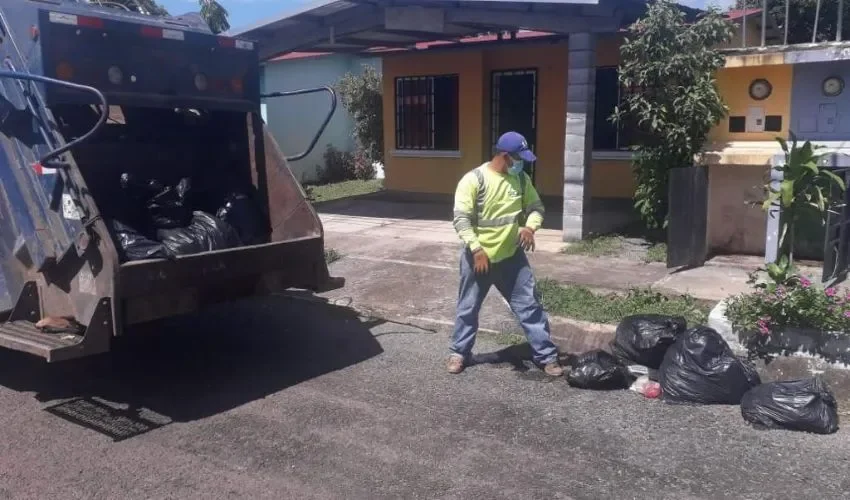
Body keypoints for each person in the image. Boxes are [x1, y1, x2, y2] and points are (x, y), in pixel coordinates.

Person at [448, 131, 563, 376]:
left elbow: (536, 208)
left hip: (512, 258)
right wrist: (476, 249)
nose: (521, 163)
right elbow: (461, 220)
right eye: (518, 158)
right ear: (504, 155)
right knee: (468, 308)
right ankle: (459, 353)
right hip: (478, 258)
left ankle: (546, 356)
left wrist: (531, 227)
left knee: (530, 306)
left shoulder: (520, 180)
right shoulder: (474, 180)